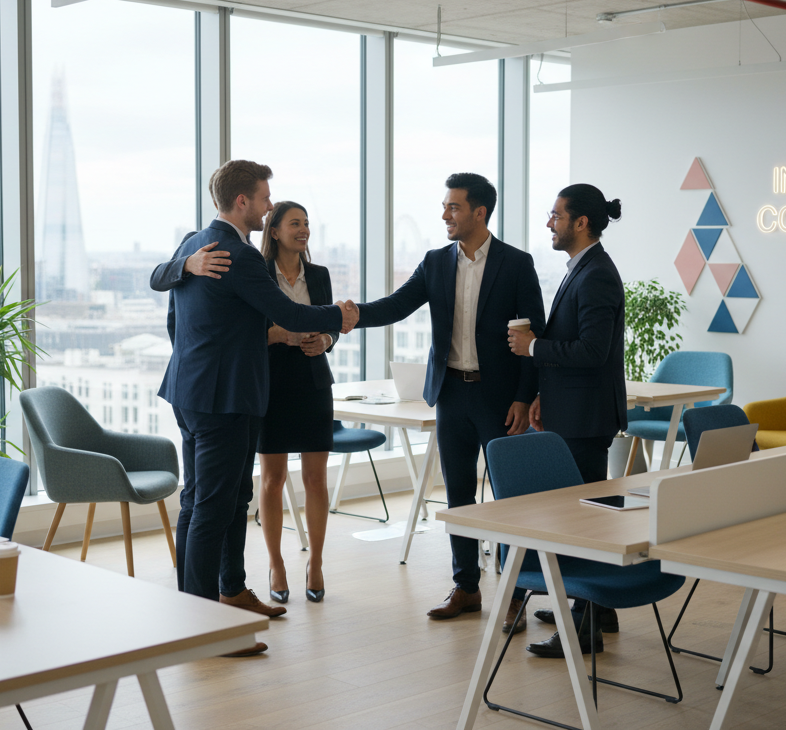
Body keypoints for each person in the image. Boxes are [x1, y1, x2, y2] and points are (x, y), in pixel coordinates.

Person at [152, 160, 358, 657]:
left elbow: (168, 296)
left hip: (190, 389)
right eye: (266, 198)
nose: (270, 205)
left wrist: (185, 268)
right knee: (214, 507)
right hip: (224, 398)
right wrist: (342, 317)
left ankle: (228, 593)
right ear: (242, 201)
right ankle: (202, 628)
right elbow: (287, 313)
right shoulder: (239, 255)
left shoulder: (193, 243)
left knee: (205, 498)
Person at [352, 172, 545, 622]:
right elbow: (397, 305)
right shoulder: (436, 262)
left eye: (453, 207)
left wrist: (523, 396)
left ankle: (517, 591)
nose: (444, 215)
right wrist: (349, 315)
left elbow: (534, 335)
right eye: (445, 206)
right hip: (451, 394)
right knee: (457, 494)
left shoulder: (517, 264)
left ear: (479, 212)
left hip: (500, 399)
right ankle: (466, 587)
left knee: (508, 498)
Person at [506, 183, 626, 658]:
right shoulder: (584, 269)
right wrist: (541, 392)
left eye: (555, 216)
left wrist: (533, 347)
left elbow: (593, 352)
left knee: (581, 523)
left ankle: (584, 626)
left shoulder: (595, 274)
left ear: (580, 222)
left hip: (586, 416)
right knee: (584, 516)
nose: (549, 223)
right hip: (573, 410)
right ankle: (597, 608)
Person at [255, 201, 338, 604]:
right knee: (272, 480)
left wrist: (325, 340)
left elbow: (331, 325)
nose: (303, 229)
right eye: (294, 223)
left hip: (313, 382)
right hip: (270, 384)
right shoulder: (258, 273)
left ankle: (316, 562)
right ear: (274, 231)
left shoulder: (319, 275)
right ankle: (276, 563)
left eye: (306, 223)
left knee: (315, 479)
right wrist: (277, 335)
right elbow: (247, 331)